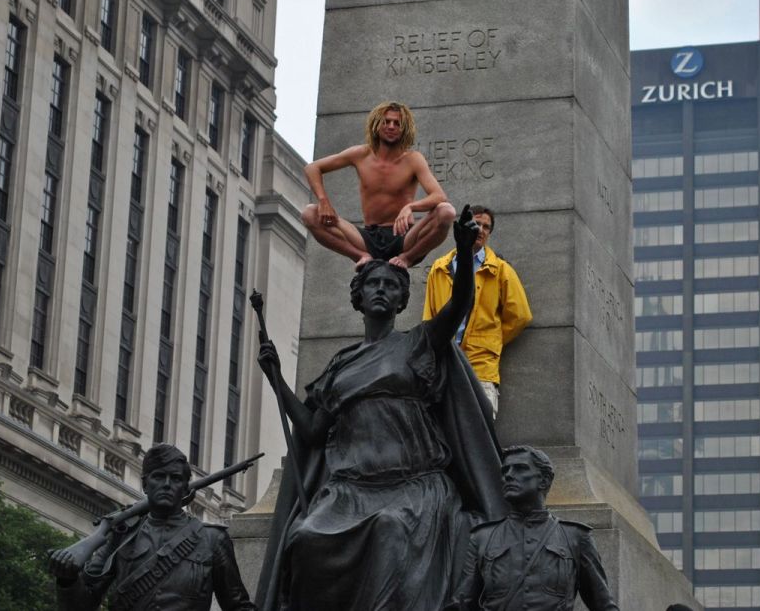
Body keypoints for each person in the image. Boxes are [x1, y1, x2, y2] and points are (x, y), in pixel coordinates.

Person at [256, 207, 506, 610]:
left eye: (390, 286)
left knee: (390, 530)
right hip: (350, 490)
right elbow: (313, 431)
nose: (381, 290)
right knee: (304, 538)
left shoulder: (419, 343)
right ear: (358, 297)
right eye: (373, 284)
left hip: (412, 486)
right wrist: (277, 380)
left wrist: (462, 251)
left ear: (401, 299)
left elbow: (459, 304)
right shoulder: (341, 365)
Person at [48, 444, 255, 611]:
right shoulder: (121, 536)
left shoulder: (212, 539)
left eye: (175, 479)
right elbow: (82, 605)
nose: (167, 484)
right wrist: (68, 580)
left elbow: (237, 606)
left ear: (186, 489)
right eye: (158, 476)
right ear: (145, 484)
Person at [446, 445, 619, 611]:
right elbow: (462, 603)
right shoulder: (482, 538)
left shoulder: (576, 537)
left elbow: (603, 605)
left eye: (520, 469)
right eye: (505, 471)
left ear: (544, 480)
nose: (508, 476)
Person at [302, 101, 455, 268]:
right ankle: (360, 256)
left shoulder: (413, 159)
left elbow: (439, 196)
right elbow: (312, 168)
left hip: (403, 238)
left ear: (404, 129)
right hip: (367, 237)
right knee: (310, 213)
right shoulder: (361, 154)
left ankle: (407, 258)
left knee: (446, 211)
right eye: (386, 121)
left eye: (397, 123)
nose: (391, 126)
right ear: (376, 125)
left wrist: (410, 207)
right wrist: (324, 201)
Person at [423, 205, 532, 418]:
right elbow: (430, 317)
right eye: (476, 224)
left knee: (479, 428)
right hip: (444, 364)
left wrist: (491, 341)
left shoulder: (500, 269)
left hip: (481, 366)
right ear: (464, 227)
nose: (480, 230)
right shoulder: (439, 268)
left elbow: (520, 315)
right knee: (439, 428)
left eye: (486, 227)